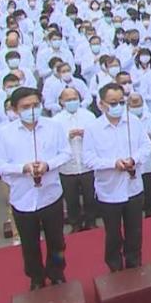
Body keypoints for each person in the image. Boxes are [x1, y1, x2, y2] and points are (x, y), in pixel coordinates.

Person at [0, 87, 69, 289]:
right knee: (29, 243)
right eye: (26, 107)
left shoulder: (54, 127)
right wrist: (23, 168)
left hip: (51, 193)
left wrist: (48, 165)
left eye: (35, 105)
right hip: (22, 197)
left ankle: (57, 272)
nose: (32, 110)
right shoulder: (3, 134)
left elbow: (65, 153)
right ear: (15, 110)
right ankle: (36, 277)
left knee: (56, 240)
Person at [83, 83, 151, 271]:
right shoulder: (93, 128)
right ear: (101, 104)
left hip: (133, 187)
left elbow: (146, 147)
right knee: (113, 233)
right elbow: (88, 159)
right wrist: (113, 164)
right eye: (112, 102)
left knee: (135, 231)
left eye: (121, 102)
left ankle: (134, 263)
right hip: (109, 190)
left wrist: (134, 159)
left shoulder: (134, 122)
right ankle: (114, 266)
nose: (117, 106)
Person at [53, 88, 99, 231]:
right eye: (68, 99)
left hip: (87, 164)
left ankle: (91, 221)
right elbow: (53, 143)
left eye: (75, 98)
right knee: (71, 198)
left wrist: (86, 135)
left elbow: (98, 137)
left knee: (90, 196)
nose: (72, 102)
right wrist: (68, 136)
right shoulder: (56, 121)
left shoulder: (89, 116)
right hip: (67, 167)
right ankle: (75, 224)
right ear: (61, 102)